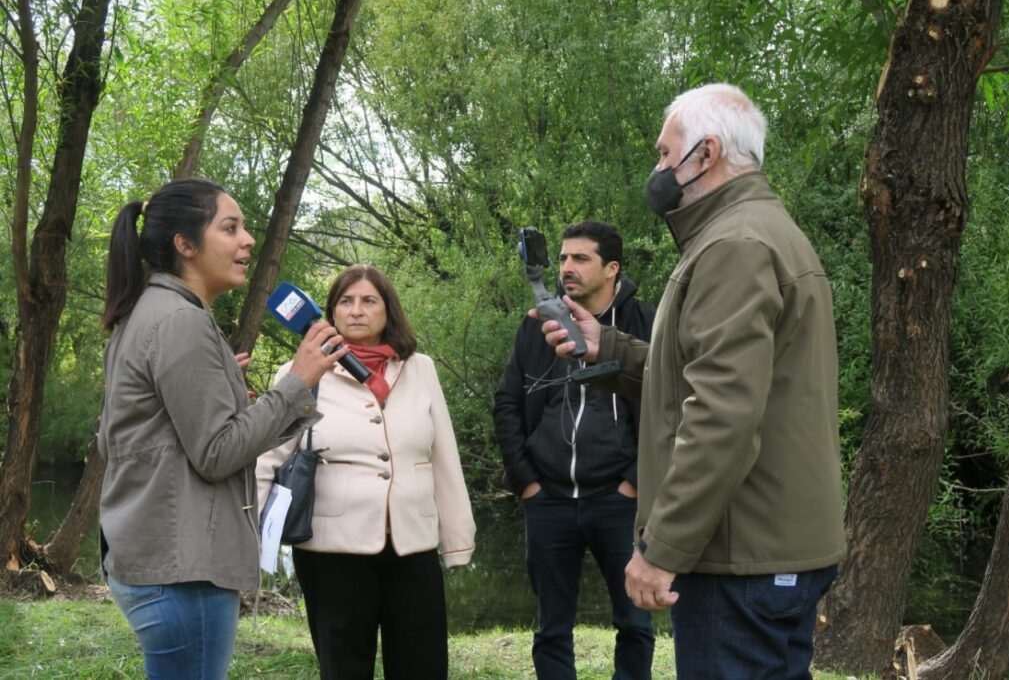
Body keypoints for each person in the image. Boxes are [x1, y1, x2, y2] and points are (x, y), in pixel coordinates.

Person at [535, 84, 847, 679]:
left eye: (664, 152)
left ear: (706, 153)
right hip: (771, 549)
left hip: (737, 556)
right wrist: (610, 348)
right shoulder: (760, 230)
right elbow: (715, 378)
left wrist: (663, 549)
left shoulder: (733, 246)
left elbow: (721, 416)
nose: (657, 169)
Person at [97, 178, 345, 680]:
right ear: (185, 245)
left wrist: (224, 388)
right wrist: (297, 382)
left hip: (152, 557)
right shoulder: (180, 322)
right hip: (183, 570)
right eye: (230, 228)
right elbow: (217, 453)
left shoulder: (143, 313)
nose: (248, 240)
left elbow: (118, 435)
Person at [256, 264, 476, 680]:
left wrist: (458, 539)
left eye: (368, 300)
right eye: (346, 301)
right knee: (344, 669)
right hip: (331, 553)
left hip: (412, 546)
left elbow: (443, 458)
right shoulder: (299, 373)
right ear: (330, 313)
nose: (356, 310)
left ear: (388, 311)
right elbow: (266, 459)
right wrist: (250, 540)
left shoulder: (420, 369)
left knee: (423, 667)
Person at [494, 221, 657, 680]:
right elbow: (507, 402)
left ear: (612, 268)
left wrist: (635, 482)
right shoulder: (539, 325)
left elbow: (668, 408)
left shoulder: (646, 323)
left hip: (619, 500)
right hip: (548, 497)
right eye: (563, 257)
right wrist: (526, 481)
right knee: (551, 628)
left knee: (634, 622)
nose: (567, 267)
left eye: (581, 258)